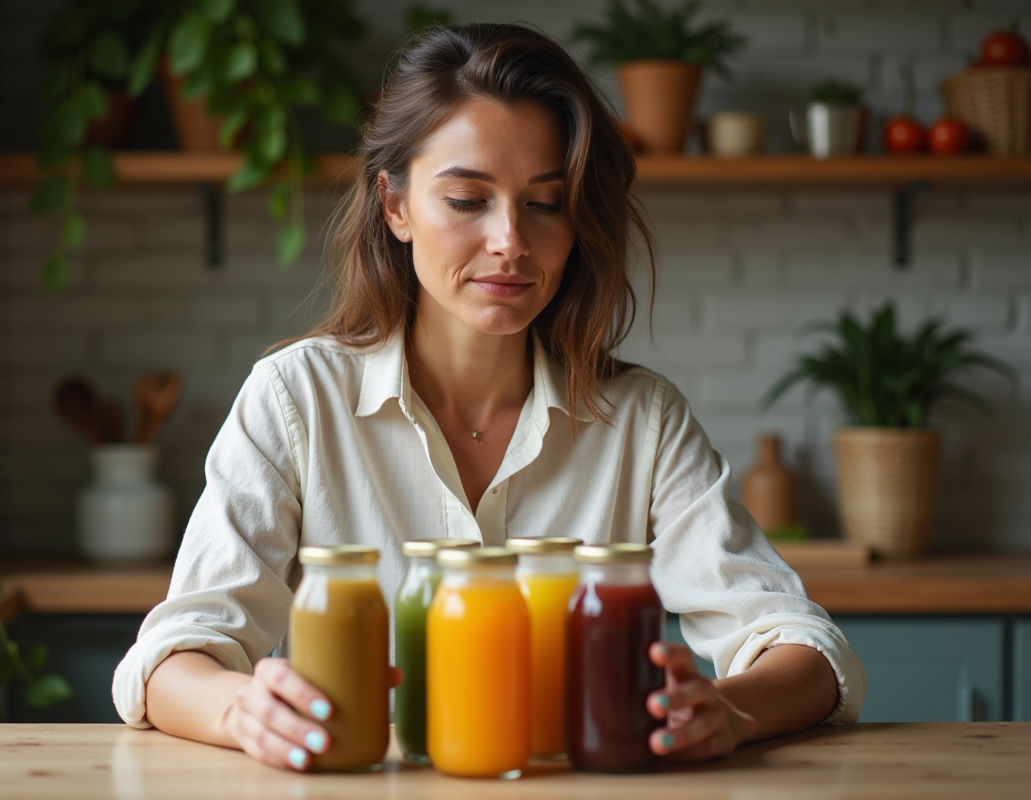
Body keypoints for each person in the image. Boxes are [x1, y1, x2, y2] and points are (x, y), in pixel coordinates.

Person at [113, 22, 865, 771]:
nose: (510, 239)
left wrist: (729, 710)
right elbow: (172, 656)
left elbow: (803, 645)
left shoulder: (641, 420)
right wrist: (243, 708)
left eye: (545, 204)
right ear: (395, 206)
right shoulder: (294, 400)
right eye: (468, 200)